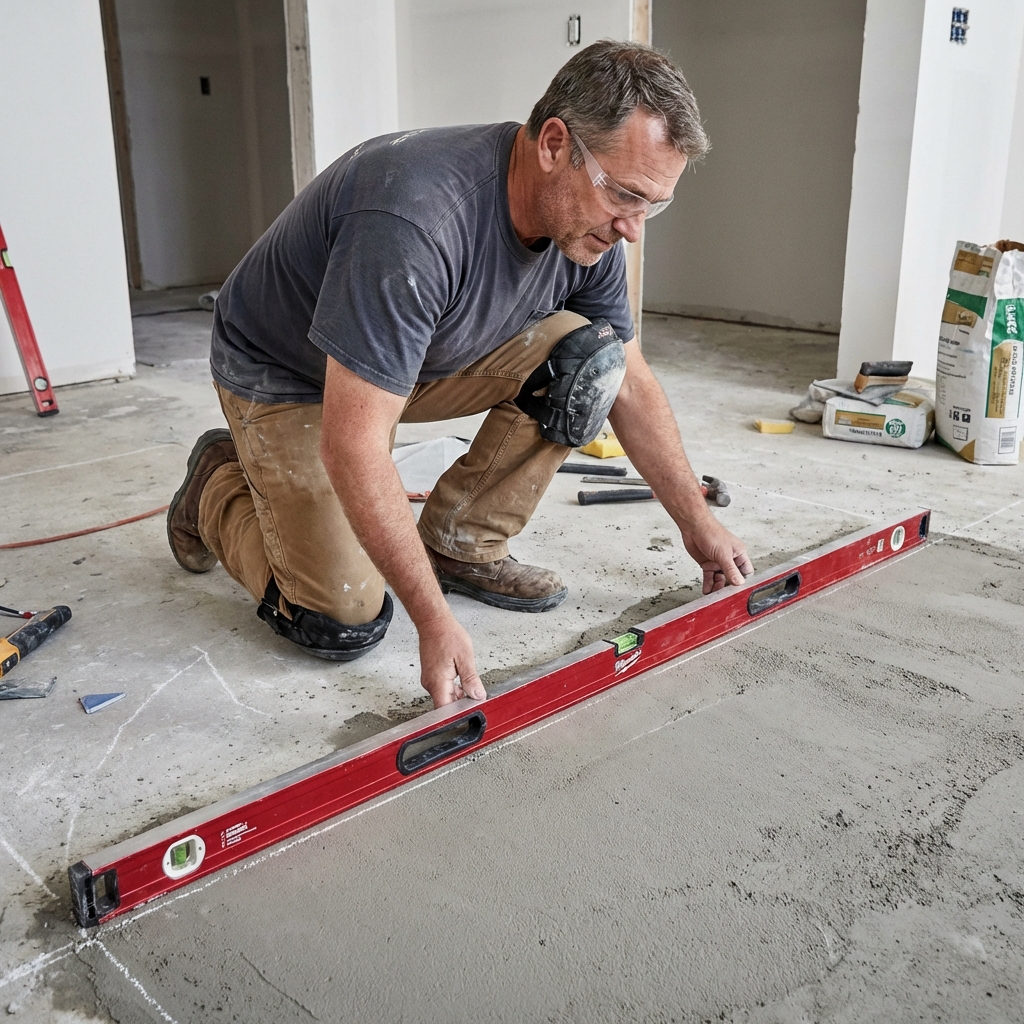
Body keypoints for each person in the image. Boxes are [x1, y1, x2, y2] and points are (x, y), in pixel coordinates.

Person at [166, 40, 753, 709]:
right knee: (339, 620)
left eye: (652, 204)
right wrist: (431, 620)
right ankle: (216, 487)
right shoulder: (416, 219)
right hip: (287, 371)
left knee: (590, 358)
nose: (634, 227)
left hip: (412, 357)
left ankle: (460, 542)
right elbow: (354, 445)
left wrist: (696, 522)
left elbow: (630, 380)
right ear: (555, 144)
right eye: (626, 194)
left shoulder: (592, 228)